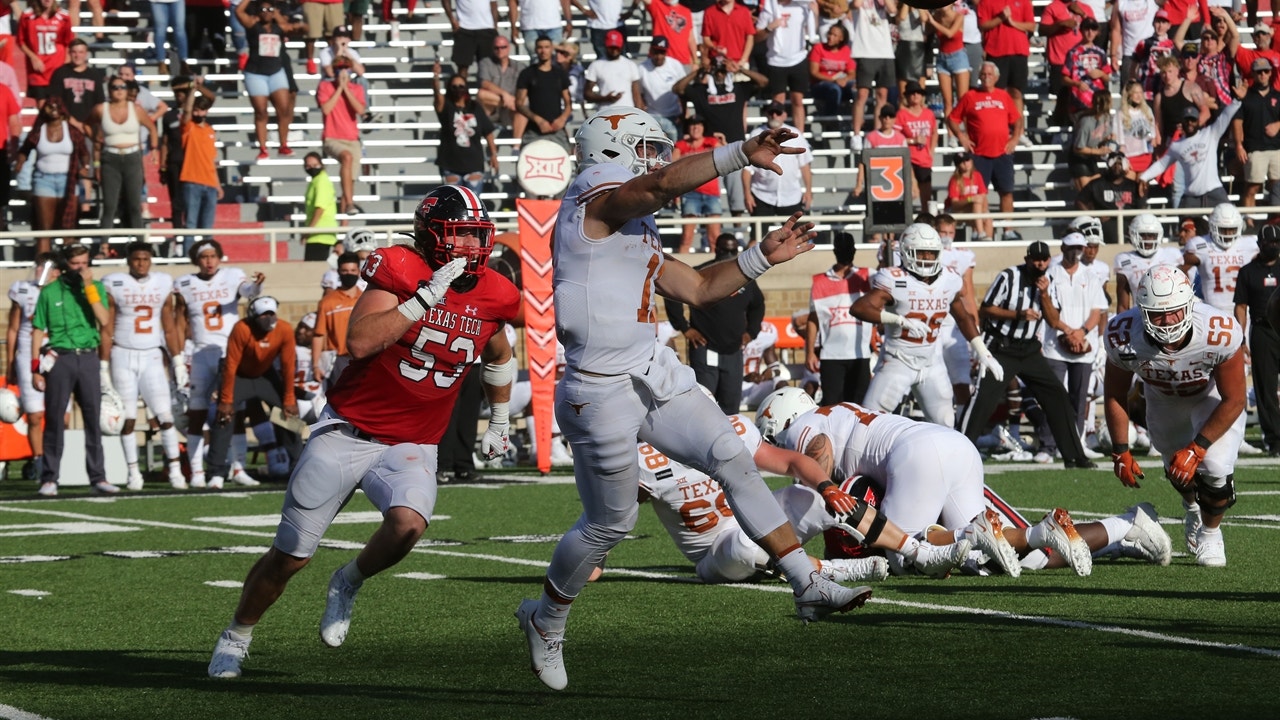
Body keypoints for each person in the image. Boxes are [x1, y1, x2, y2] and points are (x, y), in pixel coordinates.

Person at [517, 109, 872, 692]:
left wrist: (762, 258)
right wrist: (736, 153)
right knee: (611, 523)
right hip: (598, 387)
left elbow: (701, 288)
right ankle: (547, 617)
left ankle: (806, 581)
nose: (658, 160)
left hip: (651, 370)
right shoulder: (591, 199)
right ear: (613, 150)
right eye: (649, 148)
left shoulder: (633, 227)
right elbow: (657, 184)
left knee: (731, 455)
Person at [208, 185, 520, 678]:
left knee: (408, 526)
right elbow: (359, 341)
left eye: (477, 237)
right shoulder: (399, 270)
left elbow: (499, 356)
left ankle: (348, 580)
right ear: (432, 236)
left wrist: (499, 418)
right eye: (460, 236)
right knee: (290, 556)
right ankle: (237, 633)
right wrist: (424, 300)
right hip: (349, 432)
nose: (471, 249)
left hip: (413, 441)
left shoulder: (494, 292)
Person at [755, 388, 1069, 577]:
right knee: (975, 559)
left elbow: (817, 457)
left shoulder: (802, 426)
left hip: (917, 456)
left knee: (903, 553)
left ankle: (972, 531)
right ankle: (1046, 533)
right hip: (954, 445)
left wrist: (784, 544)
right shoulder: (836, 412)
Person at [637, 412, 973, 584]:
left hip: (757, 524)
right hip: (715, 556)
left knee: (814, 498)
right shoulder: (646, 460)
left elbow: (793, 461)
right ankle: (835, 571)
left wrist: (828, 488)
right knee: (741, 545)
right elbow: (611, 515)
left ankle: (918, 550)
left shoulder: (731, 431)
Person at [1104, 265, 1246, 567]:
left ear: (1189, 306)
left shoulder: (1218, 329)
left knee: (1215, 466)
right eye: (1157, 314)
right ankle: (1192, 507)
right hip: (1163, 399)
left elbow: (1234, 398)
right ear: (1142, 312)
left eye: (1175, 312)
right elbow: (1115, 394)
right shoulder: (1122, 334)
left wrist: (1198, 448)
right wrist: (1120, 450)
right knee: (1176, 468)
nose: (1167, 321)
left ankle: (1210, 533)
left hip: (1212, 398)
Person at [958, 241, 1095, 468]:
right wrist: (1018, 314)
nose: (1040, 264)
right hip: (1001, 347)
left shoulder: (1048, 282)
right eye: (1035, 259)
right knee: (983, 399)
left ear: (1049, 261)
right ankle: (961, 453)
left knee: (1058, 397)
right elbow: (987, 309)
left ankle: (1074, 456)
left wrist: (1044, 295)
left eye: (1044, 260)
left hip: (1029, 349)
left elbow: (1052, 319)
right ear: (1027, 259)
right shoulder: (1008, 277)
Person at [850, 223, 1000, 428]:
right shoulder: (895, 279)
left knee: (946, 424)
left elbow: (963, 317)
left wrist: (983, 352)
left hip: (931, 362)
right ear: (905, 252)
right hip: (898, 360)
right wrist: (899, 320)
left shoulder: (949, 279)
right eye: (921, 252)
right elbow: (859, 308)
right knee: (869, 423)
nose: (927, 258)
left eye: (931, 253)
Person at [169, 240, 265, 488]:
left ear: (220, 257)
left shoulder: (232, 276)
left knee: (235, 410)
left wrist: (257, 284)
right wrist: (179, 359)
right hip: (200, 353)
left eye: (213, 256)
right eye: (204, 257)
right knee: (197, 412)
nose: (209, 261)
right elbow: (178, 322)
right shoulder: (185, 283)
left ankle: (238, 467)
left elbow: (248, 292)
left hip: (229, 352)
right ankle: (197, 472)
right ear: (196, 259)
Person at [30, 245, 116, 497]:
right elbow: (37, 329)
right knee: (55, 419)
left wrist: (88, 288)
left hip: (87, 356)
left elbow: (104, 319)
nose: (81, 268)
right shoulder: (50, 292)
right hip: (61, 358)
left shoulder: (96, 287)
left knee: (93, 417)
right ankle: (50, 477)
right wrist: (35, 367)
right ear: (65, 264)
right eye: (76, 263)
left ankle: (98, 476)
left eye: (84, 262)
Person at [102, 242, 188, 490]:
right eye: (137, 259)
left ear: (151, 260)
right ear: (128, 260)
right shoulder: (115, 282)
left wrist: (178, 360)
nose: (141, 263)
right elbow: (107, 327)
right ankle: (133, 473)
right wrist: (102, 365)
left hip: (151, 354)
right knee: (127, 417)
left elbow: (170, 327)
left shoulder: (162, 282)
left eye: (146, 259)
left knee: (165, 416)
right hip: (123, 354)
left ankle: (174, 471)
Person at [204, 296, 300, 489]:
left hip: (265, 374)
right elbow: (230, 364)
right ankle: (216, 472)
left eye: (271, 314)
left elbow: (289, 364)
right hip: (239, 374)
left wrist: (289, 397)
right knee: (224, 417)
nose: (268, 319)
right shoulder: (242, 328)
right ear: (253, 316)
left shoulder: (284, 329)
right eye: (263, 315)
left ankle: (299, 467)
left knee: (289, 415)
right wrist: (226, 399)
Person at [664, 233, 764, 414]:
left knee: (731, 409)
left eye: (733, 250)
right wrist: (685, 328)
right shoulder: (702, 272)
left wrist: (751, 331)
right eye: (725, 250)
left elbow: (758, 305)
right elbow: (673, 295)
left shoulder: (745, 279)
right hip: (704, 348)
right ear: (716, 250)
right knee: (704, 408)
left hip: (733, 351)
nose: (729, 254)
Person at [1039, 232, 1108, 458]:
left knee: (1079, 399)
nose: (1076, 251)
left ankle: (1073, 446)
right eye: (1072, 247)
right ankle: (1047, 446)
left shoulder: (1091, 275)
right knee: (1054, 396)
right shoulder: (1051, 274)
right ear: (1063, 247)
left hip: (1083, 344)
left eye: (1079, 247)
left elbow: (1097, 310)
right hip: (1054, 344)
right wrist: (1068, 331)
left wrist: (1083, 332)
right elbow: (1047, 309)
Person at [947, 62, 1023, 241]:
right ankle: (980, 230)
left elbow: (1018, 120)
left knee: (1006, 191)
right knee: (979, 194)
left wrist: (1015, 138)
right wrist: (961, 136)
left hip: (1002, 153)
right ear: (979, 77)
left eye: (990, 74)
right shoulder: (970, 96)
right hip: (979, 153)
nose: (986, 77)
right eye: (983, 74)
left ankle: (1008, 230)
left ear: (996, 77)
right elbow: (952, 118)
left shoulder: (1003, 96)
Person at [6, 254, 60, 484]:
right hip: (29, 354)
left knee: (61, 416)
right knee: (35, 415)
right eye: (38, 266)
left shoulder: (62, 291)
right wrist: (10, 362)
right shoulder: (23, 290)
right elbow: (13, 329)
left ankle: (57, 462)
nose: (40, 271)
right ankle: (39, 464)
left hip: (57, 354)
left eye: (45, 267)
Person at [805, 231, 873, 405]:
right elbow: (813, 319)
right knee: (832, 407)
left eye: (848, 249)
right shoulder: (819, 281)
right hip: (831, 355)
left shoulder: (866, 276)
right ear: (834, 251)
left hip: (860, 353)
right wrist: (810, 352)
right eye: (842, 249)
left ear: (854, 250)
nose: (845, 252)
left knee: (860, 407)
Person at [1140, 93, 1243, 208]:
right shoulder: (1177, 145)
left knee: (1230, 219)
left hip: (1214, 191)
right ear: (1181, 123)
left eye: (1192, 120)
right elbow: (1161, 165)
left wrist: (1237, 100)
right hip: (1192, 196)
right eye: (1186, 120)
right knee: (1184, 224)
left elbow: (1225, 117)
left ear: (1198, 121)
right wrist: (1144, 177)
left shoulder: (1210, 133)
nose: (1189, 123)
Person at [14, 98, 88, 252]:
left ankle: (70, 266)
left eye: (56, 106)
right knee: (44, 230)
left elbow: (84, 153)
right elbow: (25, 149)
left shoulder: (72, 131)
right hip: (43, 180)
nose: (53, 109)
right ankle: (43, 266)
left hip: (68, 181)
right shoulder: (39, 131)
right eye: (50, 107)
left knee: (69, 227)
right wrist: (20, 162)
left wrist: (85, 166)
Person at [91, 74, 159, 238]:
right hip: (110, 158)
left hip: (132, 157)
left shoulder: (135, 109)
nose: (119, 91)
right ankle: (104, 245)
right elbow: (87, 124)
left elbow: (152, 128)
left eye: (122, 87)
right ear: (109, 90)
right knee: (109, 205)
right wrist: (96, 139)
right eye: (115, 87)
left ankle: (139, 243)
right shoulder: (101, 109)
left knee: (135, 204)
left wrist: (155, 149)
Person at [1233, 225, 1280, 455]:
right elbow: (1240, 307)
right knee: (1265, 388)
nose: (1273, 246)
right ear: (1260, 245)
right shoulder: (1248, 272)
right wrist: (1240, 339)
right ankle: (1274, 438)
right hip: (1262, 329)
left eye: (1277, 242)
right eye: (1268, 243)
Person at [236, 0, 299, 160]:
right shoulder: (252, 24)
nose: (266, 12)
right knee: (261, 112)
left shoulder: (278, 26)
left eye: (269, 9)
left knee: (284, 110)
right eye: (262, 9)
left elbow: (287, 25)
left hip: (276, 71)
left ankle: (283, 144)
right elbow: (238, 12)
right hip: (256, 73)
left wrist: (274, 12)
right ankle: (263, 148)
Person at [1182, 203, 1259, 314]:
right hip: (1211, 310)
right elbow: (1181, 271)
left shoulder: (1249, 245)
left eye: (1232, 229)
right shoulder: (1200, 245)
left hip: (1243, 308)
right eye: (1223, 229)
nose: (1227, 234)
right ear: (1213, 227)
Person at [317, 54, 367, 216]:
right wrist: (339, 88)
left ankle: (346, 213)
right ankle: (350, 203)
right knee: (346, 157)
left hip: (352, 138)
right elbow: (326, 109)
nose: (342, 72)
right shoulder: (325, 87)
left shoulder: (357, 89)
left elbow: (360, 110)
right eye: (339, 68)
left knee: (349, 182)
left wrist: (346, 88)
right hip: (332, 137)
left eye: (345, 68)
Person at [743, 102, 812, 217]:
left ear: (784, 115)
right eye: (771, 112)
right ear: (766, 114)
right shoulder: (756, 135)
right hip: (761, 195)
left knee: (796, 234)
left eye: (778, 112)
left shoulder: (796, 134)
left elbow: (805, 165)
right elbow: (747, 169)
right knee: (758, 234)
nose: (774, 115)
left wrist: (809, 191)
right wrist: (747, 194)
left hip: (791, 196)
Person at [755, 0, 813, 133]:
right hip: (776, 60)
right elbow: (756, 37)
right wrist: (769, 27)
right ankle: (777, 137)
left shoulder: (802, 7)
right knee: (777, 102)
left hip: (798, 58)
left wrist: (814, 13)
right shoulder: (770, 8)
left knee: (798, 100)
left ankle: (800, 137)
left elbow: (812, 30)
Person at [1233, 59, 1280, 213]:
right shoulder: (1246, 97)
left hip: (1276, 148)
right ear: (1253, 73)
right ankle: (1249, 221)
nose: (1263, 75)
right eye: (1259, 72)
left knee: (1277, 187)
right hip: (1254, 148)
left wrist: (1277, 125)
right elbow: (1237, 122)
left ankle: (1275, 221)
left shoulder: (1278, 96)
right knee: (1252, 187)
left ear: (1270, 73)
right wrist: (1239, 145)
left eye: (1266, 71)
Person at [178, 79, 221, 250]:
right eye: (197, 109)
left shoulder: (210, 131)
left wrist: (218, 184)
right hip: (192, 180)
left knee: (207, 227)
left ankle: (207, 255)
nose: (199, 113)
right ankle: (189, 255)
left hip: (210, 182)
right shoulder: (189, 128)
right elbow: (187, 111)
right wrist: (192, 92)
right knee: (190, 223)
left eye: (202, 109)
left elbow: (212, 160)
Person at [1114, 213, 1184, 311]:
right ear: (1133, 235)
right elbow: (1122, 305)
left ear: (1158, 235)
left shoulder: (1172, 255)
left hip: (1171, 313)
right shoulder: (1124, 260)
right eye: (1143, 235)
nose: (1147, 240)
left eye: (1151, 235)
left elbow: (1184, 291)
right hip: (1140, 317)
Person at [672, 116, 722, 253]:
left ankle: (714, 270)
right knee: (687, 238)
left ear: (704, 127)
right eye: (692, 125)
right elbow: (673, 165)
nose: (695, 128)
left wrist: (690, 157)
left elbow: (726, 155)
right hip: (690, 192)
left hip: (711, 192)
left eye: (699, 124)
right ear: (688, 128)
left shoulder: (712, 142)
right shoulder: (681, 144)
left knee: (714, 238)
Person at [847, 0, 895, 144]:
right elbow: (854, 5)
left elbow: (892, 10)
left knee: (882, 95)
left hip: (885, 51)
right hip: (865, 50)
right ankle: (856, 134)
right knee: (862, 94)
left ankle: (877, 133)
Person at [313, 251, 362, 389]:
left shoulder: (366, 299)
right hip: (339, 360)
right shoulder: (327, 302)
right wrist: (316, 365)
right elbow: (319, 335)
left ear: (359, 271)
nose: (349, 274)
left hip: (364, 358)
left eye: (353, 270)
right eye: (345, 271)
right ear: (339, 272)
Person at [516, 35, 573, 151]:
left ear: (552, 49)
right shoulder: (527, 74)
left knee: (565, 166)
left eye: (546, 47)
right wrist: (538, 120)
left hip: (557, 129)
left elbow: (568, 103)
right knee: (526, 166)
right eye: (540, 47)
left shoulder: (559, 73)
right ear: (536, 49)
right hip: (534, 130)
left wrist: (562, 119)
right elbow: (519, 104)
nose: (543, 51)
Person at [1076, 152, 1146, 244]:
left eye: (1120, 164)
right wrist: (1094, 217)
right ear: (1108, 164)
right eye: (1114, 163)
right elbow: (1080, 201)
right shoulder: (1097, 184)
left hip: (1128, 225)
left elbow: (1142, 206)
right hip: (1104, 226)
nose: (1117, 166)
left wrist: (1134, 221)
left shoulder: (1133, 186)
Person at [17, 0, 74, 107]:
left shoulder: (64, 17)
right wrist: (33, 57)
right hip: (38, 70)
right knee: (43, 109)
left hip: (57, 69)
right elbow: (20, 41)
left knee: (59, 108)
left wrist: (66, 67)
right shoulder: (27, 16)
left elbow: (69, 42)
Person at [897, 86, 938, 213]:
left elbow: (934, 132)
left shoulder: (928, 113)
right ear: (907, 97)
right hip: (908, 158)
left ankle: (926, 222)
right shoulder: (901, 114)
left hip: (924, 159)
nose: (915, 95)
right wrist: (913, 140)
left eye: (918, 93)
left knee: (926, 196)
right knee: (909, 194)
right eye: (912, 93)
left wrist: (931, 150)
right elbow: (896, 138)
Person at [636, 36, 686, 141]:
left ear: (666, 52)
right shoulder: (642, 68)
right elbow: (639, 94)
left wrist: (683, 114)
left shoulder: (675, 65)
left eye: (662, 52)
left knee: (676, 149)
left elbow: (683, 91)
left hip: (673, 115)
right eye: (656, 52)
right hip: (652, 117)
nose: (658, 56)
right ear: (651, 50)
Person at [807, 22, 856, 123]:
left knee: (856, 87)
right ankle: (830, 120)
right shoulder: (818, 48)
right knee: (834, 89)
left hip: (840, 82)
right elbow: (813, 72)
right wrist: (833, 80)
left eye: (834, 35)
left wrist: (844, 79)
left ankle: (855, 118)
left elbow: (852, 73)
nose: (830, 37)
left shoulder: (846, 50)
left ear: (841, 38)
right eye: (829, 34)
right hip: (820, 84)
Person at [927, 2, 969, 118]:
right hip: (942, 57)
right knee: (947, 102)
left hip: (958, 57)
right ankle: (950, 134)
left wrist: (933, 23)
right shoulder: (937, 16)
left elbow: (950, 33)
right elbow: (927, 31)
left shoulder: (959, 16)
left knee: (962, 100)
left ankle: (964, 133)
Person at [584, 29, 642, 112]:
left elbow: (636, 94)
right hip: (605, 113)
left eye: (616, 47)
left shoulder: (630, 65)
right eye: (611, 47)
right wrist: (605, 99)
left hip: (628, 113)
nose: (614, 50)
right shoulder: (596, 65)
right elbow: (587, 94)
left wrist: (639, 113)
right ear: (606, 46)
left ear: (621, 46)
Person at [1068, 89, 1115, 191]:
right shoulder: (1086, 121)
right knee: (1086, 194)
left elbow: (1101, 137)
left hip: (1091, 158)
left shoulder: (1107, 118)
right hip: (1079, 158)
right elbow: (1078, 148)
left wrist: (1107, 140)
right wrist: (1097, 151)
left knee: (1097, 192)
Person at [477, 35, 525, 133]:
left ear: (508, 48)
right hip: (492, 108)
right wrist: (504, 95)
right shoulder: (486, 63)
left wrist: (511, 100)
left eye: (503, 47)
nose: (500, 50)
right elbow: (484, 83)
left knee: (523, 106)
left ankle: (516, 147)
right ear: (492, 49)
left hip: (512, 109)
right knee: (481, 94)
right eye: (496, 47)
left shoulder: (520, 67)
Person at [441, 0, 499, 81]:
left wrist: (495, 25)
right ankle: (462, 93)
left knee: (487, 68)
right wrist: (452, 20)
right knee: (462, 68)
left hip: (487, 29)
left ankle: (485, 93)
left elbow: (493, 4)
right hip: (464, 29)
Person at [944, 151, 993, 240]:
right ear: (958, 165)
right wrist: (970, 199)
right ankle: (981, 233)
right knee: (977, 203)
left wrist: (984, 211)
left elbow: (983, 196)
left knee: (987, 218)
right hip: (956, 210)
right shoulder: (955, 179)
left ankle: (987, 243)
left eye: (967, 160)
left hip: (974, 209)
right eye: (962, 162)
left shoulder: (977, 175)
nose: (965, 163)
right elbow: (954, 204)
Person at [303, 152, 339, 260]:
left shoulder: (322, 181)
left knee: (313, 271)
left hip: (320, 233)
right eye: (308, 166)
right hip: (317, 233)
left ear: (321, 164)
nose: (312, 168)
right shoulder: (316, 180)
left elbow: (320, 208)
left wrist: (309, 231)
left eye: (315, 165)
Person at [149, 0, 189, 74]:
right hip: (157, 2)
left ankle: (183, 62)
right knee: (160, 30)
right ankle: (161, 62)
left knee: (180, 30)